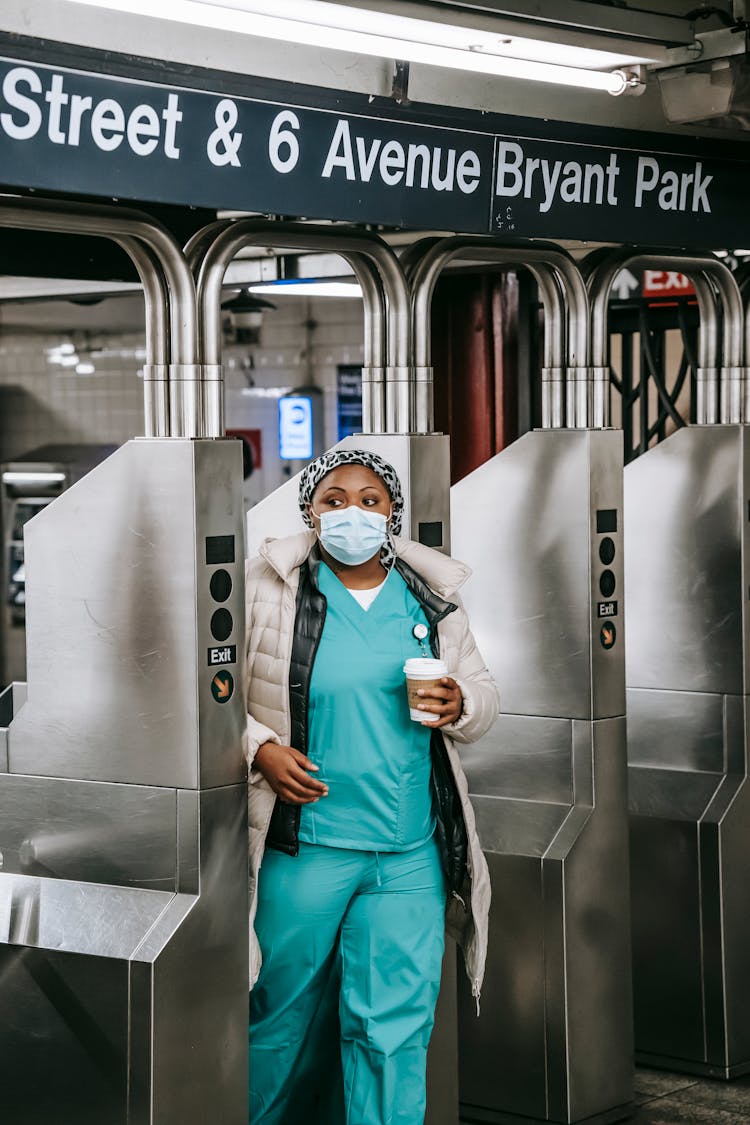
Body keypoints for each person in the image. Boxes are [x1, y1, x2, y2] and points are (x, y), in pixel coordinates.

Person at [245, 448, 499, 1125]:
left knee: (393, 1032)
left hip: (407, 851)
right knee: (276, 1018)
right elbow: (206, 695)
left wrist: (461, 704)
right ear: (309, 512)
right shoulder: (269, 588)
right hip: (307, 847)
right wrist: (260, 747)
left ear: (391, 514)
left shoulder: (430, 596)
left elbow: (484, 696)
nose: (351, 512)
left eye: (369, 499)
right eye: (333, 499)